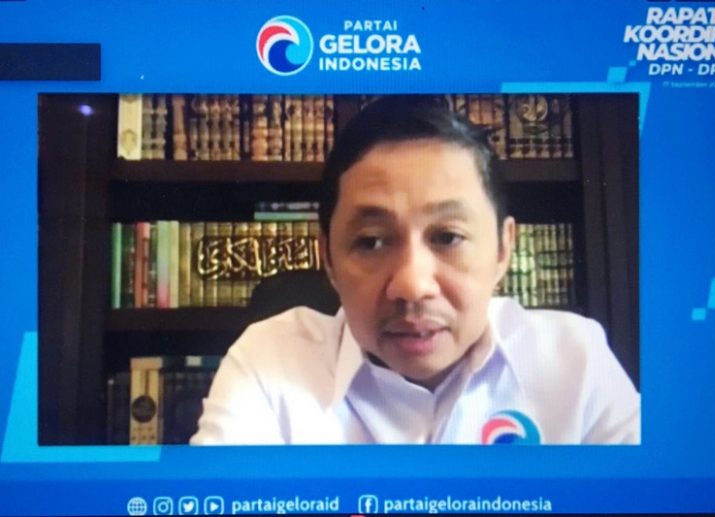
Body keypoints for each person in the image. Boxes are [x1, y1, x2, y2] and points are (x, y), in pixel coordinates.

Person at [191, 96, 640, 445]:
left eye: (448, 237)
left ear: (504, 249)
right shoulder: (270, 363)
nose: (412, 285)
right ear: (327, 257)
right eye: (371, 241)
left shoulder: (574, 361)